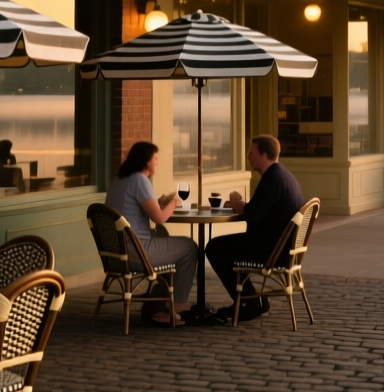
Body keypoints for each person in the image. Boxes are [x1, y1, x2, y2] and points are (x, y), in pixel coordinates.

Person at [206, 135, 305, 320]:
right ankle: (250, 300)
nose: (248, 156)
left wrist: (238, 206)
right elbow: (258, 210)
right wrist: (242, 206)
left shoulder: (272, 179)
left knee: (214, 247)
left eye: (252, 152)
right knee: (229, 246)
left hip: (272, 252)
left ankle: (248, 302)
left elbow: (252, 215)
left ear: (264, 154)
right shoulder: (282, 175)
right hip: (285, 250)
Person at [104, 141, 201, 326]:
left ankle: (156, 306)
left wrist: (162, 202)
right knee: (189, 247)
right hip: (138, 251)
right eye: (155, 157)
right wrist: (175, 201)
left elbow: (144, 208)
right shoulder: (140, 180)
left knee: (164, 237)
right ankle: (173, 309)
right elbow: (159, 217)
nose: (157, 161)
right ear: (146, 160)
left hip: (116, 254)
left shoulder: (120, 179)